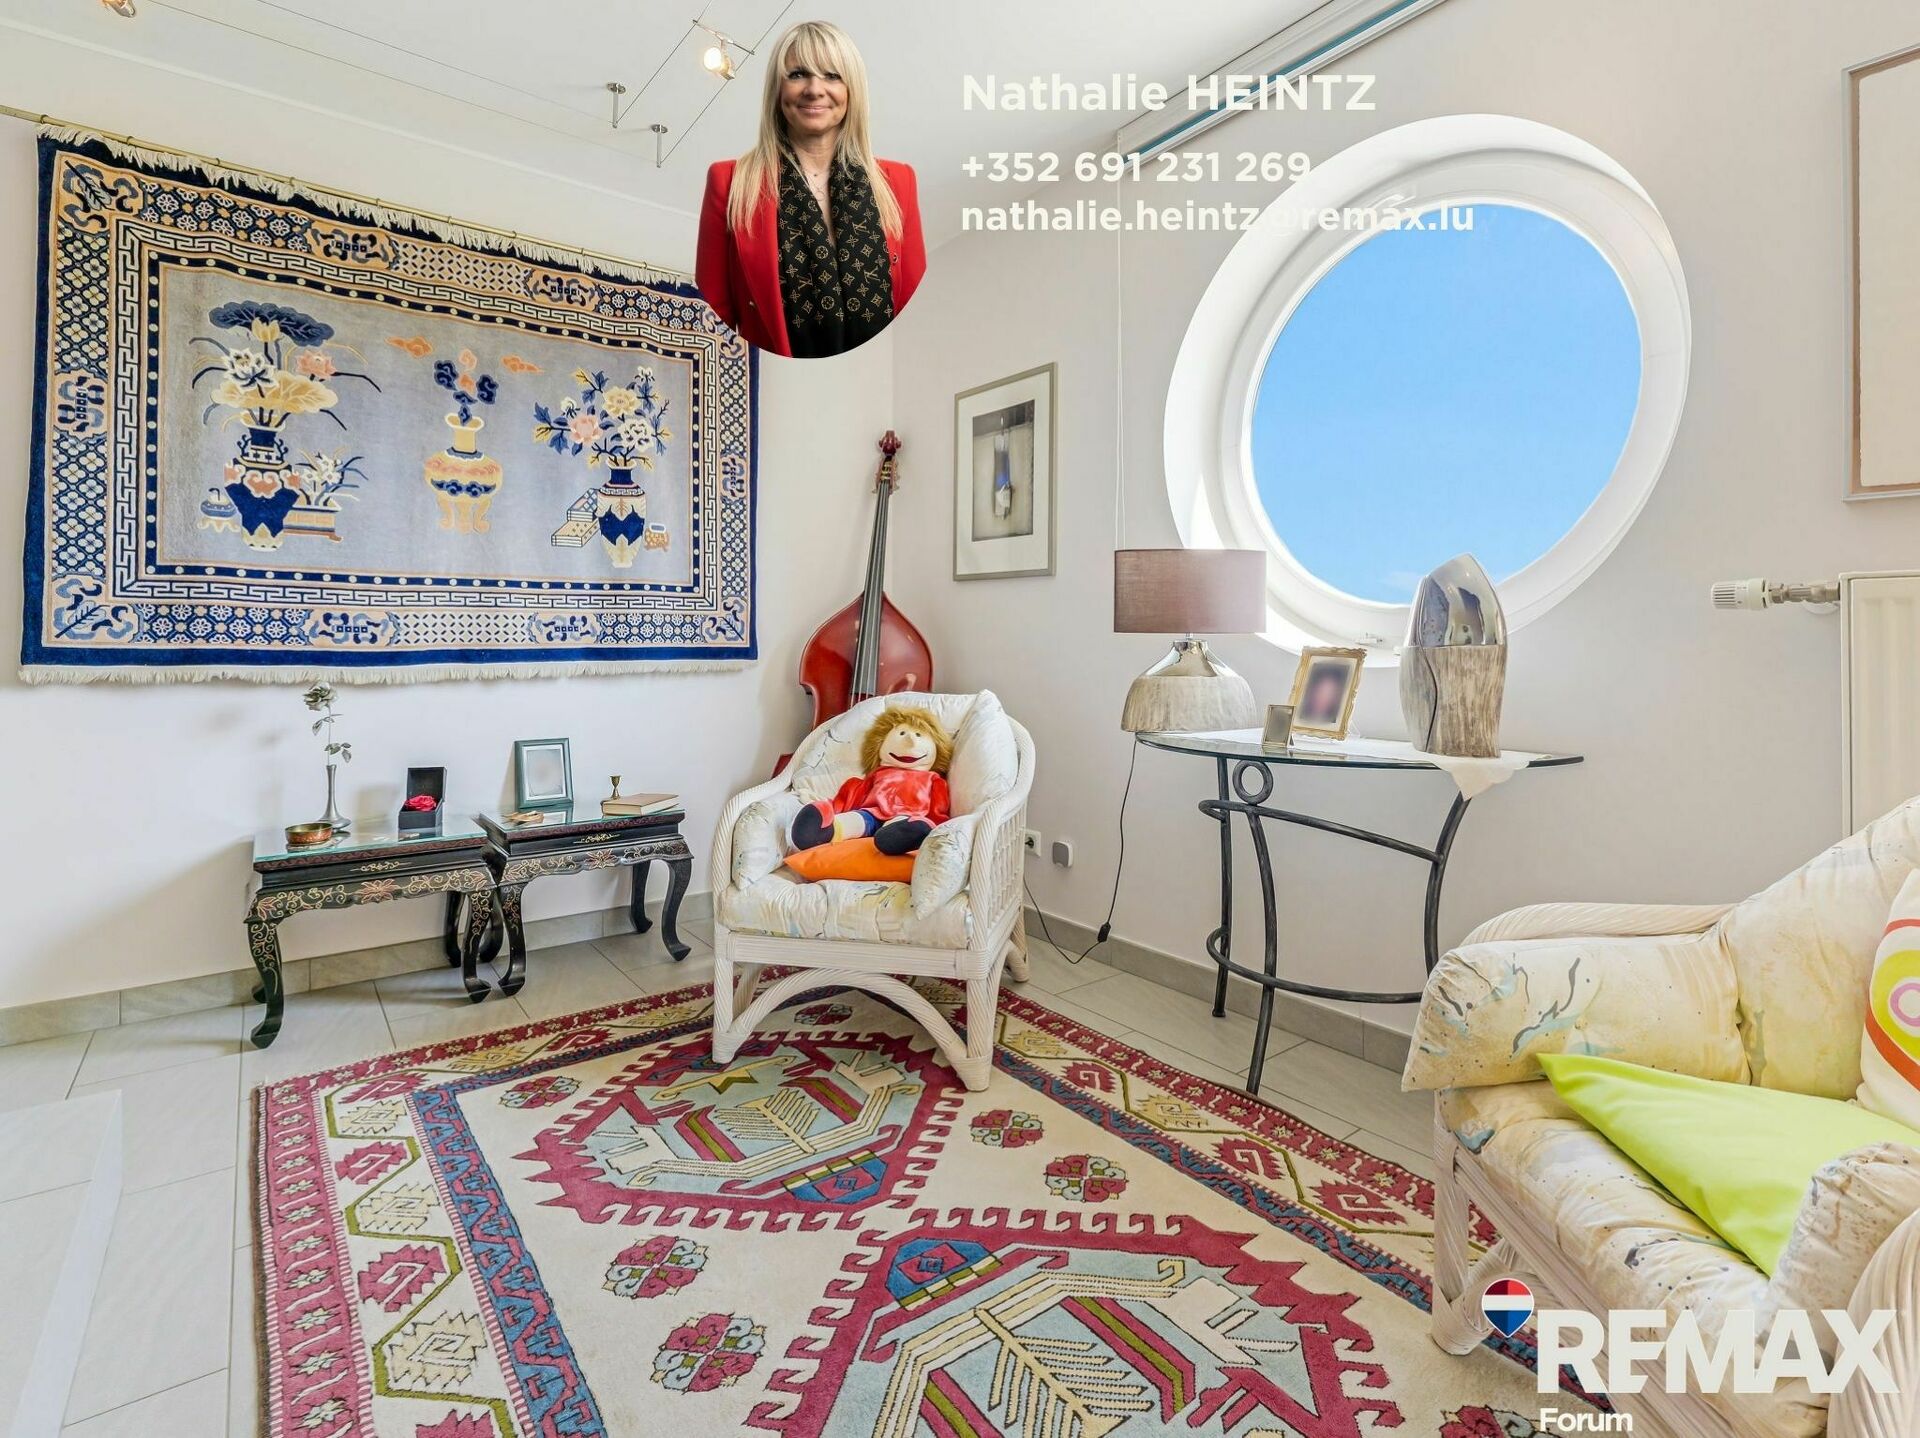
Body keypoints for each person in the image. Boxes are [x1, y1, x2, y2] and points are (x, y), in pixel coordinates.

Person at [696, 20, 926, 359]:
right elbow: (715, 319)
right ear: (777, 90)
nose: (814, 89)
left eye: (832, 75)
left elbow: (911, 308)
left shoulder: (899, 182)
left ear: (852, 90)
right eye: (798, 74)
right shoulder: (728, 182)